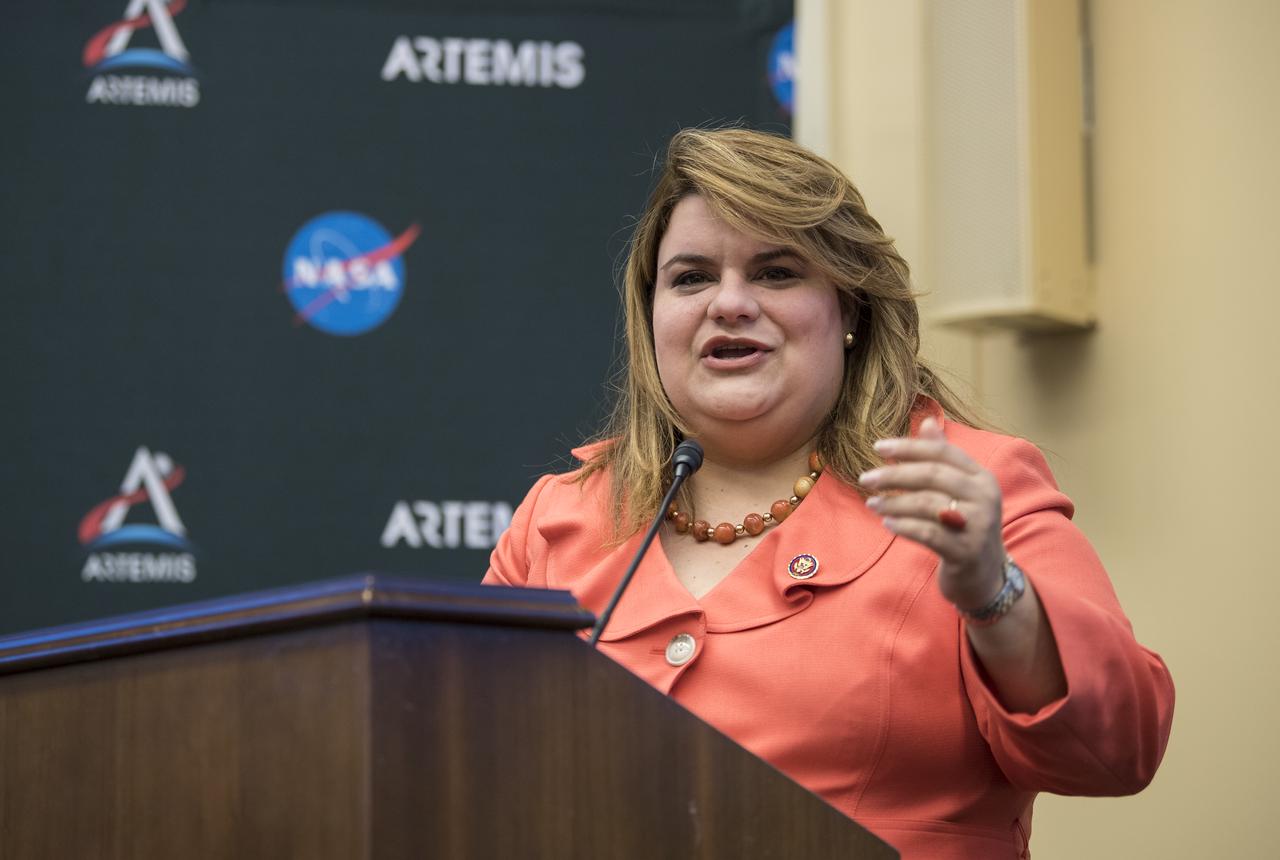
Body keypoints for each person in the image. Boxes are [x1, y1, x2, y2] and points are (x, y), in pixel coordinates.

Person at [484, 127, 1174, 859]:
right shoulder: (559, 518)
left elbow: (1116, 749)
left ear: (848, 311)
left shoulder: (961, 486)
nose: (729, 303)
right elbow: (469, 766)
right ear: (652, 315)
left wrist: (991, 590)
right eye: (690, 278)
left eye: (776, 272)